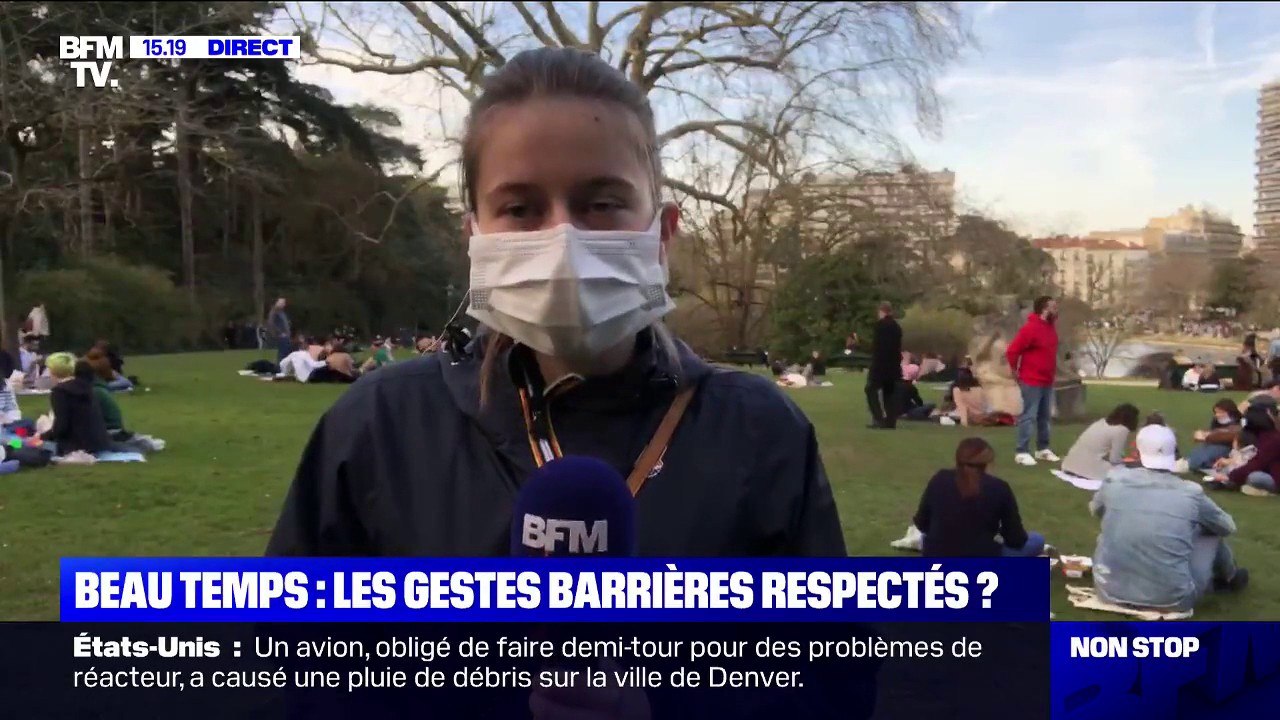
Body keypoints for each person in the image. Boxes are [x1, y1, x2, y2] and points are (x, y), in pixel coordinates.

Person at [267, 48, 845, 561]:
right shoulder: (379, 427)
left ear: (663, 233)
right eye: (520, 209)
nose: (563, 238)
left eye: (601, 202)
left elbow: (827, 670)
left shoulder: (762, 434)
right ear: (475, 238)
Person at [1090, 424, 1249, 612]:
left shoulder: (1114, 481)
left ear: (1138, 452)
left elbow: (1096, 510)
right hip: (1171, 601)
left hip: (1108, 592)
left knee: (1117, 528)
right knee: (1209, 531)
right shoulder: (1190, 493)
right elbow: (1226, 527)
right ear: (1173, 452)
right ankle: (1229, 577)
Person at [912, 437, 1045, 557]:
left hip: (935, 554)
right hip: (982, 557)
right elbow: (1016, 540)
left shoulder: (939, 478)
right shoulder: (999, 487)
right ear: (988, 463)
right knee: (1037, 540)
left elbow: (921, 523)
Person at [1006, 295, 1061, 466]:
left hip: (1047, 380)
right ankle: (1021, 451)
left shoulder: (1050, 328)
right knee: (1029, 416)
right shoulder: (1030, 329)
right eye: (1053, 307)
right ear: (1044, 308)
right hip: (1032, 380)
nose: (1056, 310)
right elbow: (1012, 351)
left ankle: (1042, 449)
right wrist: (1015, 371)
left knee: (1044, 416)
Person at [40, 354, 115, 457]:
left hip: (73, 446)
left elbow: (61, 427)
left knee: (24, 444)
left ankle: (13, 445)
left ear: (53, 371)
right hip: (99, 443)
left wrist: (42, 437)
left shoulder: (60, 392)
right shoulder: (87, 387)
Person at [1213, 403, 1280, 496]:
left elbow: (1257, 463)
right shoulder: (1266, 436)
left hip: (1276, 478)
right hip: (1269, 472)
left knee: (1254, 477)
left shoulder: (1273, 439)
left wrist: (1230, 477)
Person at [1061, 403, 1140, 482]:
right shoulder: (1121, 430)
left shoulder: (1100, 422)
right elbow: (1115, 460)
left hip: (1069, 465)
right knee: (1130, 472)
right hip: (1088, 471)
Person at [865, 302, 903, 430]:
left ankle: (878, 418)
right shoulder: (897, 327)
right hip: (893, 366)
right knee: (889, 394)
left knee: (870, 390)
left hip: (880, 365)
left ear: (881, 311)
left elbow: (877, 347)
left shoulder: (880, 326)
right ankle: (890, 421)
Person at [1183, 399, 1243, 473]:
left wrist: (1207, 436)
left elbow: (1228, 434)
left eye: (1221, 412)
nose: (1218, 415)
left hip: (1227, 447)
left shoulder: (1238, 424)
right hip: (1213, 444)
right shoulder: (1216, 421)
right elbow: (1213, 432)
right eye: (1216, 412)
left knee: (1202, 457)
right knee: (1198, 455)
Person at [266, 297, 292, 362]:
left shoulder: (281, 312)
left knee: (286, 353)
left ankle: (284, 367)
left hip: (286, 336)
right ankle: (279, 367)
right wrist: (280, 333)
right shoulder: (274, 311)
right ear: (277, 302)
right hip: (281, 336)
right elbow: (271, 323)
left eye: (284, 303)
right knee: (282, 353)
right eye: (282, 302)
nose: (284, 304)